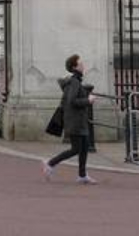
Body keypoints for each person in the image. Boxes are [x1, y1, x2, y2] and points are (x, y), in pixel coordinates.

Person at [42, 54, 97, 185]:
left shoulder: (76, 81)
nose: (83, 65)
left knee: (84, 147)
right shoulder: (74, 82)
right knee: (76, 149)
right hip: (75, 121)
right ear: (74, 67)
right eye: (80, 63)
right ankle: (50, 163)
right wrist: (88, 100)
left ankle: (82, 175)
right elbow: (72, 101)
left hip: (79, 120)